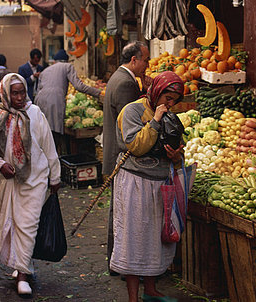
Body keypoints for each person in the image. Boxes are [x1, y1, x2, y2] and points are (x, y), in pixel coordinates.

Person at [0, 73, 61, 297]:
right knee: (13, 222)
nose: (20, 97)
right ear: (5, 93)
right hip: (6, 180)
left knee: (29, 224)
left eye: (22, 92)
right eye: (15, 93)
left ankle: (22, 276)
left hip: (36, 178)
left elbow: (48, 146)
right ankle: (23, 264)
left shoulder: (35, 113)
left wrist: (55, 176)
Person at [110, 71, 185, 302]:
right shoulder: (132, 111)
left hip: (159, 184)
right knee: (134, 238)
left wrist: (175, 157)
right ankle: (133, 297)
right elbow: (136, 147)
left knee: (153, 238)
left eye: (174, 100)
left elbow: (178, 147)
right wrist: (155, 121)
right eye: (167, 97)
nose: (169, 104)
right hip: (135, 182)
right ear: (156, 91)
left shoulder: (170, 115)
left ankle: (150, 290)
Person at [102, 41, 150, 275]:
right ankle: (120, 264)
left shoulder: (119, 77)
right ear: (134, 60)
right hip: (120, 157)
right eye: (145, 60)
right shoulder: (125, 83)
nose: (147, 65)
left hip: (114, 154)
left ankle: (117, 263)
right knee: (122, 213)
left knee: (118, 211)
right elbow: (130, 124)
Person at [34, 49, 103, 153]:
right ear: (66, 61)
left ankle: (46, 160)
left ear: (54, 61)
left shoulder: (45, 71)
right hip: (54, 100)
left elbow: (37, 90)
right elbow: (78, 86)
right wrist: (97, 93)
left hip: (40, 100)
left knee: (44, 132)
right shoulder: (67, 66)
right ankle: (55, 161)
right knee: (54, 134)